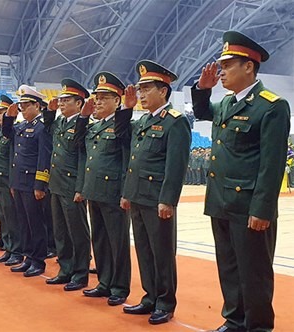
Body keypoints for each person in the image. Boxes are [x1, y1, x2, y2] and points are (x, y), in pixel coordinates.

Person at [192, 30, 291, 332]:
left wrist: (262, 210)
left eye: (228, 65)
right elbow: (201, 111)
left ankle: (259, 326)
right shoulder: (225, 104)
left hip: (249, 205)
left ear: (249, 66)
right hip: (221, 201)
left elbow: (272, 165)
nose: (221, 71)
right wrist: (202, 89)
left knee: (255, 272)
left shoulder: (271, 106)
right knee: (230, 267)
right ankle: (234, 320)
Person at [116, 60, 191, 325]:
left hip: (157, 199)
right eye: (140, 89)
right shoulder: (142, 121)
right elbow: (130, 154)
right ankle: (150, 297)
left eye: (147, 89)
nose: (141, 94)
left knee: (162, 253)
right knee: (145, 251)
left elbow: (176, 165)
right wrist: (127, 193)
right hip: (138, 196)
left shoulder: (175, 122)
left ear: (163, 91)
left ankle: (165, 302)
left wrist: (168, 200)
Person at [75, 72, 133, 305]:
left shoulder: (123, 126)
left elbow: (126, 151)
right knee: (99, 239)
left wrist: (125, 192)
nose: (97, 101)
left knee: (117, 242)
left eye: (104, 98)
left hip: (113, 192)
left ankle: (119, 287)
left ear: (117, 101)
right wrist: (83, 116)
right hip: (94, 190)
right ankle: (104, 281)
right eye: (96, 97)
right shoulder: (94, 127)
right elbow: (77, 144)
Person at [42, 79, 91, 292]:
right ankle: (65, 269)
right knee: (60, 230)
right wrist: (50, 113)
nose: (61, 104)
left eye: (66, 100)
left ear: (79, 103)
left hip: (72, 185)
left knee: (77, 230)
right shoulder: (59, 123)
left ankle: (80, 273)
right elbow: (46, 132)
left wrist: (80, 187)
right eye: (60, 100)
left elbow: (83, 158)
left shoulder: (83, 125)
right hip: (57, 184)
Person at [2, 85, 52, 277]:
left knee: (35, 223)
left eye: (26, 105)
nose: (22, 108)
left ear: (37, 106)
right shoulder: (21, 126)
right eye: (21, 105)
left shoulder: (42, 128)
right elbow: (7, 135)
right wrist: (8, 118)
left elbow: (43, 157)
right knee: (23, 222)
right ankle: (28, 257)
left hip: (32, 183)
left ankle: (38, 261)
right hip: (19, 182)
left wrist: (40, 185)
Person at [0, 95, 21, 264]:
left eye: (3, 113)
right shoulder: (2, 133)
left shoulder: (15, 131)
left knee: (12, 218)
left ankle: (16, 250)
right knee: (3, 216)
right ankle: (8, 247)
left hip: (8, 180)